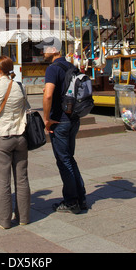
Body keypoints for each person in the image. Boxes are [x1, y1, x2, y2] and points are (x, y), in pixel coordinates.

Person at [36, 37, 86, 214]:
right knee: (69, 158)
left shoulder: (52, 68)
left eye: (44, 48)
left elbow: (48, 95)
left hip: (60, 120)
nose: (42, 52)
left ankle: (71, 201)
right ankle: (81, 197)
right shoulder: (71, 66)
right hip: (74, 118)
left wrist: (46, 118)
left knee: (64, 161)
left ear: (53, 50)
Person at [0, 56, 31, 229]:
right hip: (21, 136)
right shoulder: (20, 86)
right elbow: (26, 108)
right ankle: (24, 216)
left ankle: (3, 219)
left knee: (2, 180)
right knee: (22, 178)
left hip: (3, 137)